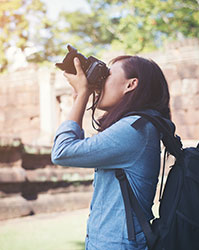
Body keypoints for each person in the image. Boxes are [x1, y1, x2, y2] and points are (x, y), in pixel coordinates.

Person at [51, 55, 171, 249]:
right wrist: (78, 97)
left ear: (131, 85)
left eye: (107, 75)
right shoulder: (137, 126)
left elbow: (62, 151)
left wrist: (83, 95)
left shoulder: (135, 129)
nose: (101, 81)